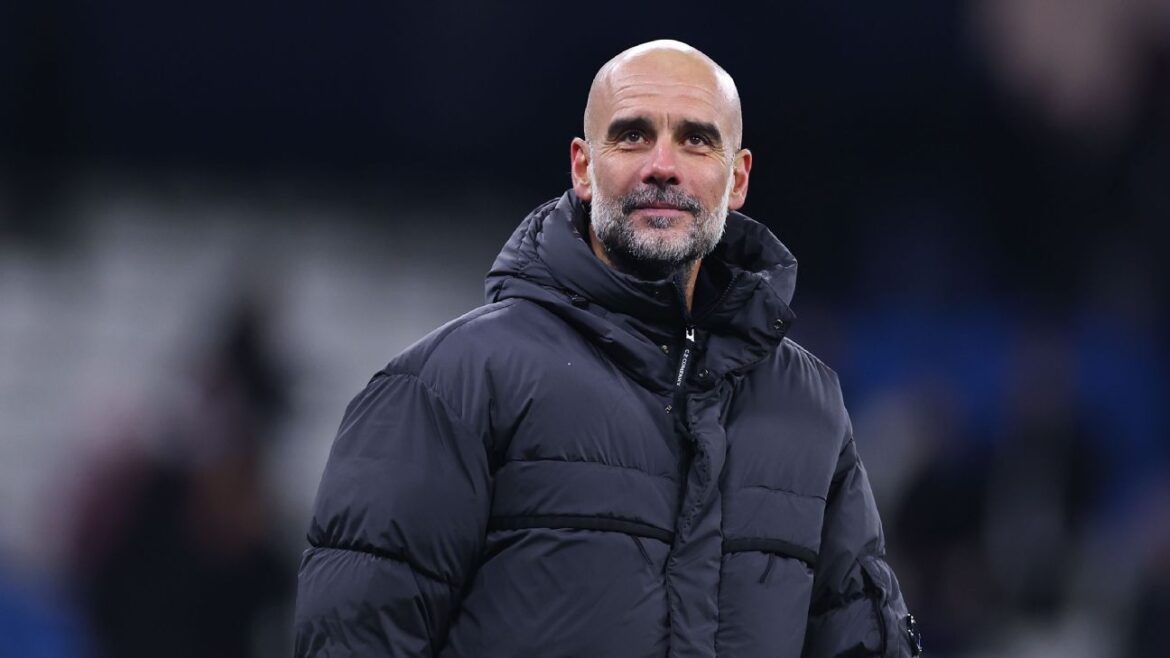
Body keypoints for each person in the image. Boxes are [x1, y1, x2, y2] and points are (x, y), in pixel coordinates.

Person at [294, 39, 921, 658]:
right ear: (582, 168)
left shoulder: (809, 405)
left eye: (696, 140)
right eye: (633, 136)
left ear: (737, 179)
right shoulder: (449, 385)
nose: (663, 166)